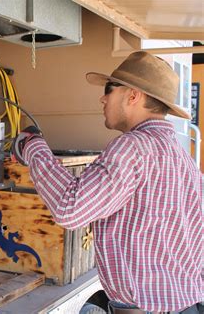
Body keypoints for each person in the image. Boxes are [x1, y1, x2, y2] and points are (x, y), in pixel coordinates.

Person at [12, 51, 203, 313]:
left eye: (109, 89)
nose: (102, 98)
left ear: (133, 95)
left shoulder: (133, 147)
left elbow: (70, 208)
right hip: (187, 304)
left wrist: (32, 146)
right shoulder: (183, 157)